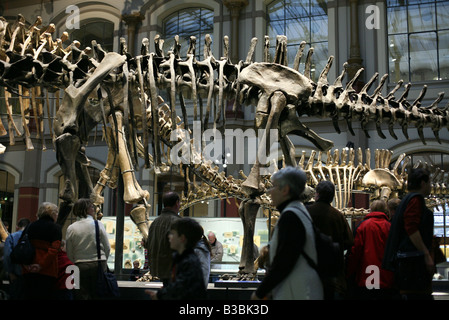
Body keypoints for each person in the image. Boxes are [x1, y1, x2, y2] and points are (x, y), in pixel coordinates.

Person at [251, 166, 323, 300]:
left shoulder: (291, 216)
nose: (270, 192)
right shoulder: (300, 212)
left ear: (285, 189)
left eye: (273, 187)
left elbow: (284, 261)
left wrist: (260, 292)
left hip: (296, 291)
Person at [383, 168, 434, 300]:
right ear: (423, 183)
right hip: (412, 263)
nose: (431, 186)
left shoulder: (407, 200)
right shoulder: (415, 200)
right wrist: (426, 253)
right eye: (429, 183)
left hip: (407, 261)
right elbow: (411, 228)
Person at [306, 180, 354, 299]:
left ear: (317, 194)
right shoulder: (338, 216)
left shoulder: (306, 212)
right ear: (332, 196)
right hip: (332, 274)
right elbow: (349, 242)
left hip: (309, 272)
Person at [346, 200, 396, 299]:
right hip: (386, 276)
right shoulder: (390, 227)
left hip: (368, 274)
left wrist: (349, 272)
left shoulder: (363, 226)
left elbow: (355, 251)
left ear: (371, 209)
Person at [147, 217, 207, 300]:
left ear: (182, 238)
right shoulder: (179, 259)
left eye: (172, 233)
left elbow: (180, 288)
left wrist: (160, 294)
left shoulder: (189, 262)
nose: (169, 236)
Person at [65, 198, 111, 300]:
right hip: (99, 263)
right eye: (91, 206)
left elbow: (69, 251)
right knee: (99, 293)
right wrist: (103, 260)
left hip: (80, 264)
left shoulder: (71, 228)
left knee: (81, 294)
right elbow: (107, 247)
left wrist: (76, 262)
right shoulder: (98, 224)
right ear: (85, 209)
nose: (93, 209)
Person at [22, 202, 62, 300]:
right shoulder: (55, 228)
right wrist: (41, 265)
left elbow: (21, 246)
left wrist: (26, 265)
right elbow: (54, 249)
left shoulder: (30, 226)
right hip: (47, 270)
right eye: (56, 213)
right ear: (52, 214)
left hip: (29, 269)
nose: (57, 215)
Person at [147, 191, 182, 285]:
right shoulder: (178, 222)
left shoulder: (155, 222)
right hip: (174, 271)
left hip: (160, 271)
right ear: (177, 203)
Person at [3, 218, 30, 299]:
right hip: (29, 275)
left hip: (15, 274)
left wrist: (10, 272)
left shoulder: (11, 237)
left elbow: (7, 255)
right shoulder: (32, 238)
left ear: (17, 226)